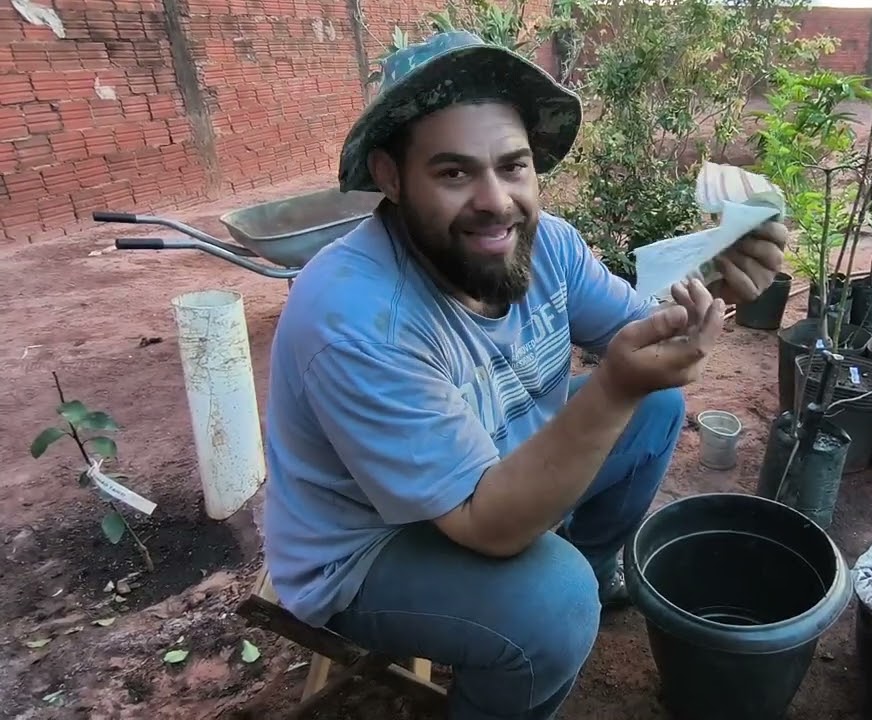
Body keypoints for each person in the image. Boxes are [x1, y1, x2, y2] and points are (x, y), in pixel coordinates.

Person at [262, 30, 787, 720]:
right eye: (454, 173)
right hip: (367, 547)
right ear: (391, 177)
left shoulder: (551, 246)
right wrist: (614, 386)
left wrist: (718, 282)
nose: (495, 201)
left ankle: (596, 567)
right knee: (553, 605)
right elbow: (487, 524)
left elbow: (640, 335)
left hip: (488, 473)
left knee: (653, 409)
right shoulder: (355, 318)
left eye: (512, 167)